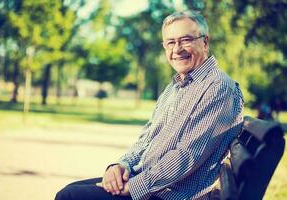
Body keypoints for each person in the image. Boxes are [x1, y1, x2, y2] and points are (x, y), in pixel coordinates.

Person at [55, 10, 244, 200]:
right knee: (73, 189)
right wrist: (121, 166)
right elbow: (146, 139)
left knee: (70, 196)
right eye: (170, 42)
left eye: (185, 40)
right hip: (150, 184)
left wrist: (133, 187)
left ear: (205, 42)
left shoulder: (218, 88)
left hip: (169, 195)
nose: (177, 49)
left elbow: (187, 156)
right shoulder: (176, 86)